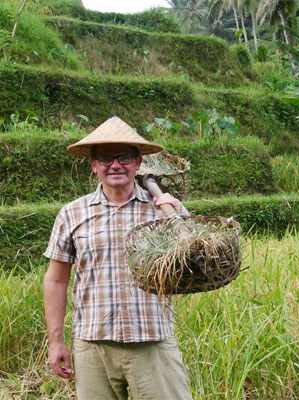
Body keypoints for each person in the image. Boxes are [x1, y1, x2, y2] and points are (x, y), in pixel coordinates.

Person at [43, 116, 193, 399]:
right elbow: (56, 280)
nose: (115, 165)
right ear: (94, 165)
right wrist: (56, 342)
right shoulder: (72, 214)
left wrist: (178, 219)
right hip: (93, 346)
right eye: (105, 158)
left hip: (152, 340)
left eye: (123, 156)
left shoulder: (163, 209)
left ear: (138, 163)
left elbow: (196, 262)